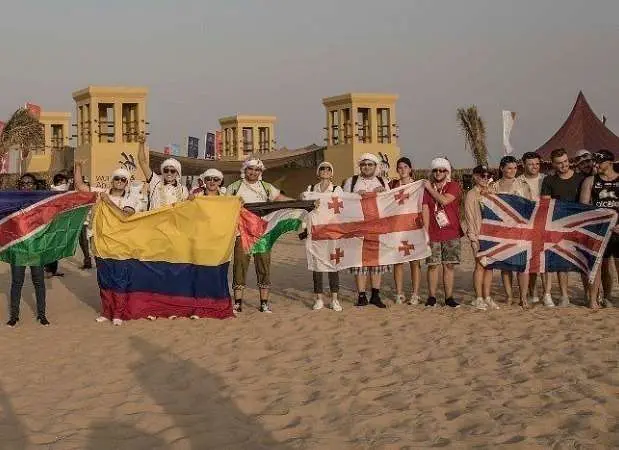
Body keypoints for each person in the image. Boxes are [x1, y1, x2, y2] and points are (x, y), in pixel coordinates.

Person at [74, 162, 138, 325]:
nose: (120, 181)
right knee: (104, 280)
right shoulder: (100, 193)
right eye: (117, 178)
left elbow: (124, 216)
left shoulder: (130, 198)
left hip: (121, 246)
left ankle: (118, 313)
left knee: (119, 280)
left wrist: (108, 202)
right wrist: (78, 167)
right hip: (100, 245)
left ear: (127, 183)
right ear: (112, 180)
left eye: (123, 179)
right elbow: (81, 186)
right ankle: (106, 311)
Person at [227, 158, 292, 313]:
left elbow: (280, 199)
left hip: (262, 234)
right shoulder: (234, 187)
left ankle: (264, 303)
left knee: (263, 267)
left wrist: (303, 202)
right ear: (245, 169)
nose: (253, 172)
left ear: (261, 172)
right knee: (239, 267)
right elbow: (222, 205)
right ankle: (238, 303)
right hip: (241, 234)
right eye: (251, 168)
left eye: (257, 170)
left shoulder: (266, 187)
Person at [342, 153, 390, 309]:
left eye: (370, 164)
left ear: (375, 166)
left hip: (377, 227)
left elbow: (390, 203)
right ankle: (361, 295)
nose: (367, 167)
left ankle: (375, 295)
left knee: (376, 262)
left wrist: (383, 193)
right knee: (359, 262)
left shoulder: (383, 181)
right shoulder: (352, 181)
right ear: (360, 166)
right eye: (364, 164)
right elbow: (343, 201)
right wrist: (355, 195)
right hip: (358, 227)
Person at [540, 148, 586, 307]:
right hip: (557, 225)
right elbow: (545, 204)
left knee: (584, 260)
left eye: (565, 162)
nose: (563, 165)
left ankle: (590, 295)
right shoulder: (549, 181)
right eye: (559, 163)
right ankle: (564, 296)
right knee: (561, 261)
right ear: (553, 164)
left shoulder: (581, 179)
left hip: (579, 225)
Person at [7, 174, 49, 327]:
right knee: (17, 282)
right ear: (20, 185)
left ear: (35, 185)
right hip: (18, 247)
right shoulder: (13, 201)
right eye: (23, 183)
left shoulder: (42, 201)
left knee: (39, 282)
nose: (26, 185)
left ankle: (42, 315)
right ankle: (14, 316)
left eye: (29, 183)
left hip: (35, 246)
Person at [489, 156, 532, 308]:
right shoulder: (494, 186)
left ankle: (523, 297)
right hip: (501, 230)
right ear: (502, 168)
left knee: (522, 265)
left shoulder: (522, 184)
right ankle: (509, 296)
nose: (513, 171)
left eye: (515, 168)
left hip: (520, 229)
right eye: (509, 168)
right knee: (505, 265)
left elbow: (530, 206)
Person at [579, 149, 619, 309]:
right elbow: (584, 207)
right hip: (599, 231)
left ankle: (608, 297)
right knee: (597, 267)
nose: (595, 164)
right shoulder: (590, 181)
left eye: (599, 161)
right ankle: (594, 299)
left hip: (617, 230)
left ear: (609, 163)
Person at [302, 161, 344, 312]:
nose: (325, 171)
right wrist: (307, 201)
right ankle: (319, 298)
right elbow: (304, 207)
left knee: (333, 265)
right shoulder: (310, 189)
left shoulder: (337, 189)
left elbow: (345, 206)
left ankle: (334, 299)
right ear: (318, 172)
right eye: (322, 168)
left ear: (332, 173)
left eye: (328, 169)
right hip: (316, 232)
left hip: (332, 232)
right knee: (317, 266)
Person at [422, 157, 462, 308]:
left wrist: (430, 189)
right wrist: (425, 232)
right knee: (432, 265)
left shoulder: (453, 186)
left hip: (451, 232)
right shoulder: (426, 188)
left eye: (442, 170)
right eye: (435, 170)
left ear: (447, 171)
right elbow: (425, 209)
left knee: (449, 265)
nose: (438, 173)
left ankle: (449, 297)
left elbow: (445, 201)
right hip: (433, 232)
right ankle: (431, 297)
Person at [517, 151, 549, 306]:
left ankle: (547, 293)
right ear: (524, 165)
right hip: (525, 225)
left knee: (544, 259)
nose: (534, 167)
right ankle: (533, 292)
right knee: (529, 260)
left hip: (544, 224)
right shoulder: (518, 181)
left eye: (537, 164)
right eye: (530, 164)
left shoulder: (546, 179)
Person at [389, 157, 422, 305]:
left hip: (413, 227)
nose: (402, 170)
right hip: (397, 228)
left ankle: (415, 293)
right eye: (400, 167)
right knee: (398, 261)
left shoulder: (417, 185)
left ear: (410, 169)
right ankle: (399, 293)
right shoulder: (392, 185)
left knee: (415, 262)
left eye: (405, 167)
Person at [464, 165, 497, 310]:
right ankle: (478, 297)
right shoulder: (471, 194)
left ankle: (487, 296)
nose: (485, 178)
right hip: (478, 234)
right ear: (475, 177)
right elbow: (469, 217)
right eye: (482, 176)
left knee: (489, 266)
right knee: (479, 265)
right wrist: (472, 238)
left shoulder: (493, 192)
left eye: (487, 176)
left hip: (492, 235)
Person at [137, 134, 189, 210]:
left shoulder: (183, 189)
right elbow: (142, 161)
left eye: (172, 171)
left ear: (177, 173)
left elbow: (186, 209)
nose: (169, 173)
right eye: (166, 170)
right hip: (156, 221)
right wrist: (141, 144)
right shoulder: (155, 182)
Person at [44, 173, 70, 278]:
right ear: (57, 183)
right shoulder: (51, 194)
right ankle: (48, 269)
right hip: (50, 224)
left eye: (66, 183)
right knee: (50, 247)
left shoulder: (64, 193)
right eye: (63, 183)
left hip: (60, 224)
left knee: (56, 248)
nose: (65, 185)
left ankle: (54, 270)